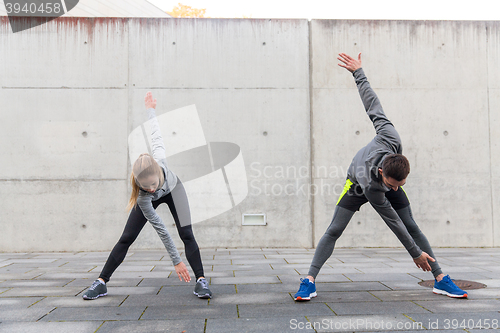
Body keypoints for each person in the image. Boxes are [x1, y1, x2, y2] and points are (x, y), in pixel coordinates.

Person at [294, 53, 467, 301]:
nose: (396, 190)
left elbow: (372, 104)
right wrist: (414, 253)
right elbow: (392, 222)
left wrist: (358, 72)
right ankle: (309, 280)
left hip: (379, 178)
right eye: (392, 185)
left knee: (413, 225)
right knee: (334, 230)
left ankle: (440, 279)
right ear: (382, 172)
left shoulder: (390, 137)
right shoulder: (372, 184)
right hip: (356, 184)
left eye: (401, 185)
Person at [82, 92, 212, 300]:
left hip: (173, 190)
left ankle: (201, 281)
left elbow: (156, 132)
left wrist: (151, 109)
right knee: (126, 238)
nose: (151, 189)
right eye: (145, 187)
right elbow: (161, 229)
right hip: (150, 202)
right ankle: (101, 282)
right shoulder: (143, 197)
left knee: (186, 233)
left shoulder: (160, 159)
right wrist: (176, 261)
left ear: (158, 173)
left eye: (152, 184)